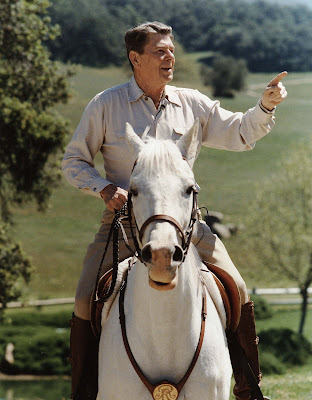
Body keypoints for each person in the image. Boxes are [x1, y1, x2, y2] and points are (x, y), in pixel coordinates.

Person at [63, 21, 287, 400]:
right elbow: (73, 161)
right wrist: (103, 188)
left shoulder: (192, 102)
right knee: (85, 298)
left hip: (187, 226)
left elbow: (239, 132)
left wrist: (265, 105)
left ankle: (250, 389)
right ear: (135, 59)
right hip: (123, 227)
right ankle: (83, 392)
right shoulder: (105, 104)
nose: (170, 57)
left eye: (171, 50)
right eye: (159, 51)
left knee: (238, 288)